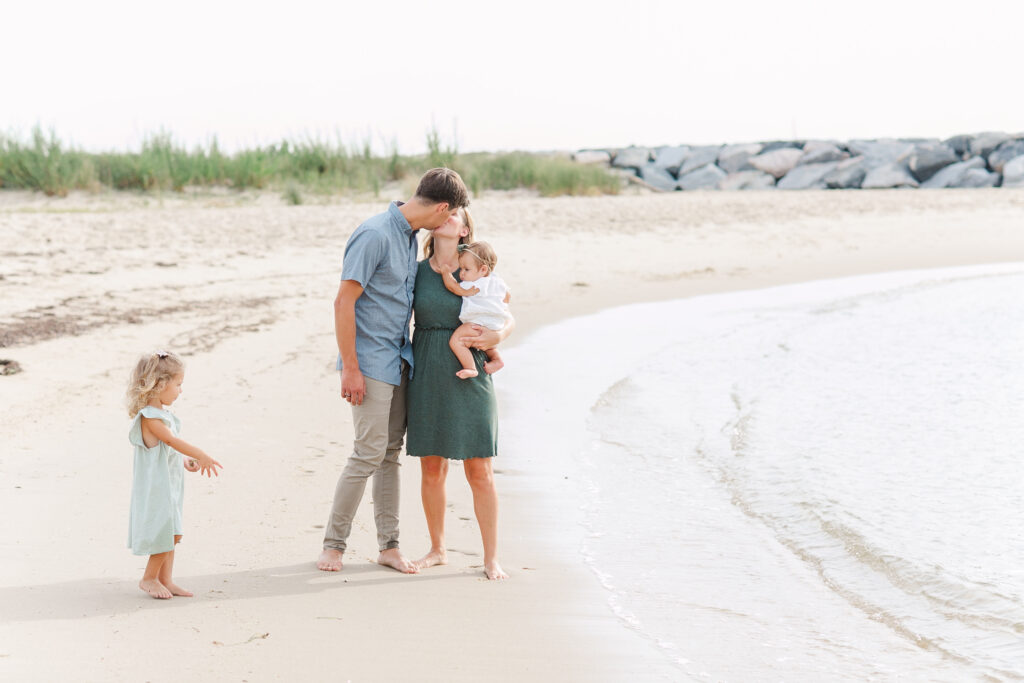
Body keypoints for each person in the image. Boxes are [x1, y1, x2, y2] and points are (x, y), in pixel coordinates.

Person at [317, 168, 470, 574]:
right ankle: (333, 546)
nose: (447, 223)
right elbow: (342, 302)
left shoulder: (408, 240)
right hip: (368, 362)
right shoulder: (375, 234)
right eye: (449, 215)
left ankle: (389, 547)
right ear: (442, 208)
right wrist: (350, 367)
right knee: (366, 453)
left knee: (388, 456)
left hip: (401, 359)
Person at [406, 207, 514, 580]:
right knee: (432, 466)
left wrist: (500, 335)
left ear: (465, 228)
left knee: (480, 469)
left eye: (454, 213)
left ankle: (491, 558)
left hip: (473, 371)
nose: (445, 215)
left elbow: (506, 311)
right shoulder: (415, 270)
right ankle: (437, 549)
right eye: (442, 210)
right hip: (428, 367)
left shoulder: (478, 267)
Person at [126, 350, 222, 600]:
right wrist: (199, 453)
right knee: (164, 532)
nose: (181, 390)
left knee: (174, 532)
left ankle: (165, 579)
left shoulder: (164, 415)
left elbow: (167, 450)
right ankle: (148, 578)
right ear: (159, 385)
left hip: (170, 484)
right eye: (178, 384)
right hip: (156, 488)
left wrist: (184, 461)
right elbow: (169, 439)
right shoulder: (149, 418)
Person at [439, 241, 510, 379]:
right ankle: (496, 359)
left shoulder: (474, 285)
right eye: (461, 269)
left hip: (478, 323)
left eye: (466, 269)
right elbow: (507, 297)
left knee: (456, 341)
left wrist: (445, 273)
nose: (462, 274)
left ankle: (470, 368)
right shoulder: (497, 280)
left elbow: (454, 287)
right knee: (489, 346)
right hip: (496, 324)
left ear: (483, 270)